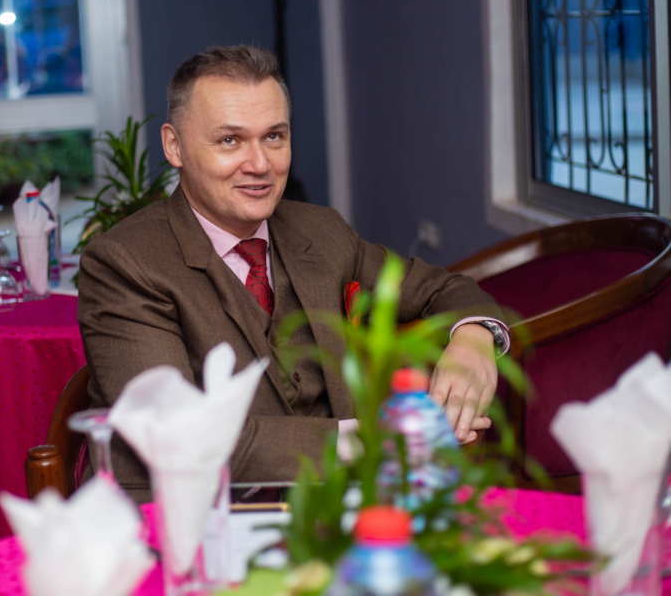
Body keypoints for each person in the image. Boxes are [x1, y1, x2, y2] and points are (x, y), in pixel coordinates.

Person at [77, 45, 509, 502]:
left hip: (335, 511)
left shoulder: (321, 231)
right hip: (186, 517)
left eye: (274, 137)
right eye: (230, 141)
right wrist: (376, 441)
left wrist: (473, 339)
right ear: (174, 146)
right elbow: (179, 437)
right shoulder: (123, 262)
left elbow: (444, 288)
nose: (260, 164)